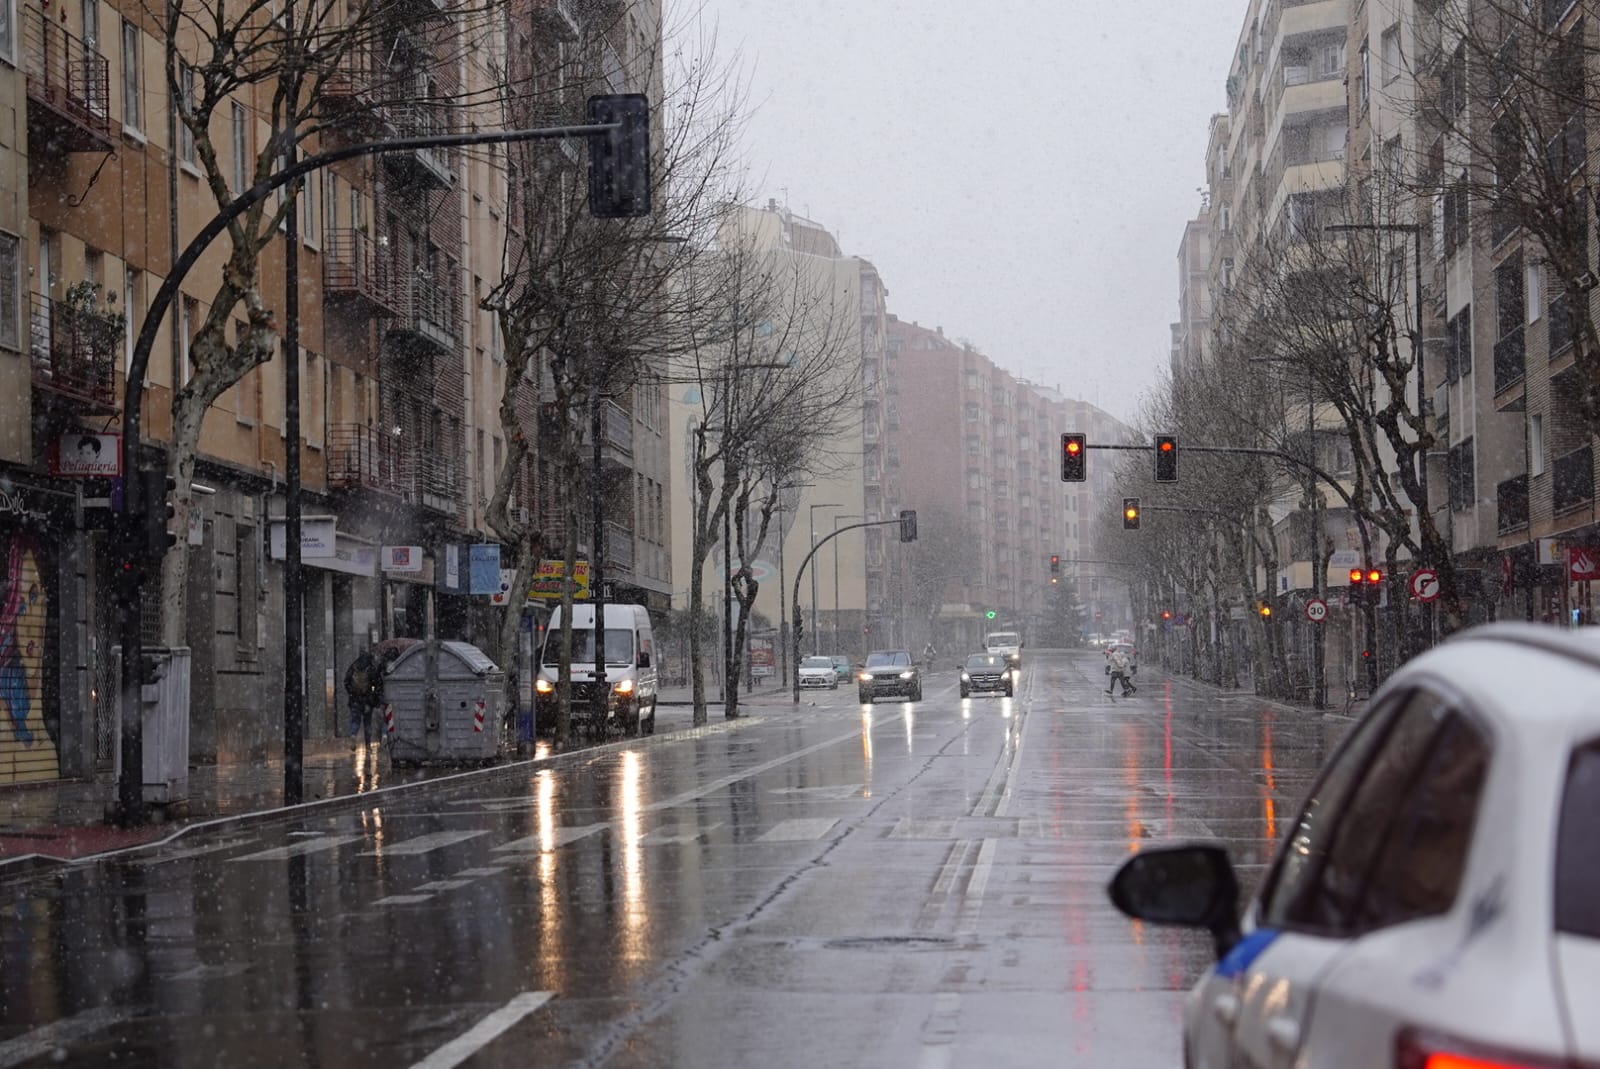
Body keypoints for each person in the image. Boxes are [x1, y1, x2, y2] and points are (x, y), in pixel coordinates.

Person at [344, 648, 379, 746]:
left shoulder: (353, 666)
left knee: (355, 720)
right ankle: (368, 745)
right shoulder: (370, 667)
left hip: (355, 699)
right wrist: (372, 695)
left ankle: (353, 735)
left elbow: (346, 682)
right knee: (367, 723)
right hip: (367, 700)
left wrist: (352, 694)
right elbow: (375, 683)